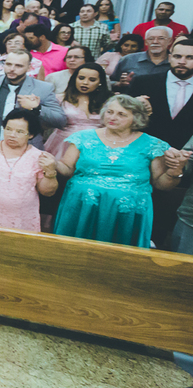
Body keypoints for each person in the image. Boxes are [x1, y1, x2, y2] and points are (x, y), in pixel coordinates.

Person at [52, 96, 182, 247]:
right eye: (110, 112)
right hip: (83, 209)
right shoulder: (83, 137)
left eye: (121, 114)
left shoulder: (152, 144)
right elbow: (67, 169)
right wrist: (53, 163)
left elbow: (161, 184)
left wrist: (175, 171)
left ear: (136, 119)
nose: (112, 117)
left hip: (127, 214)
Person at [0, 109, 59, 232]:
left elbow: (47, 192)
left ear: (31, 135)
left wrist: (50, 173)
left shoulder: (39, 157)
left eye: (19, 131)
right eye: (8, 129)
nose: (12, 135)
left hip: (21, 219)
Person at [0, 51, 65, 147]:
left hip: (25, 147)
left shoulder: (43, 88)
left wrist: (37, 108)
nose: (12, 69)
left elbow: (60, 121)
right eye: (8, 64)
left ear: (29, 67)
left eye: (18, 66)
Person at [128, 36, 193, 149]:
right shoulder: (143, 82)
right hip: (143, 150)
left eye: (190, 57)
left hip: (186, 154)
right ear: (170, 57)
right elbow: (124, 112)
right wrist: (135, 104)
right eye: (177, 56)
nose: (182, 62)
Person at [45, 63, 110, 155]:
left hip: (97, 145)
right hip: (63, 144)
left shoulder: (109, 101)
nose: (85, 82)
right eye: (81, 78)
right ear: (74, 79)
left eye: (92, 80)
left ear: (100, 82)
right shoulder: (60, 99)